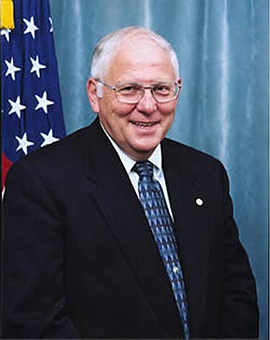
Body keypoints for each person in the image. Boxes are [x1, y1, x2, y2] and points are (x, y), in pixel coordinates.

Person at [1, 26, 259, 339]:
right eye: (130, 89)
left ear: (177, 89)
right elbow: (33, 322)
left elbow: (236, 294)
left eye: (161, 89)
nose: (149, 106)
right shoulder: (40, 182)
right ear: (94, 94)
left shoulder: (206, 174)